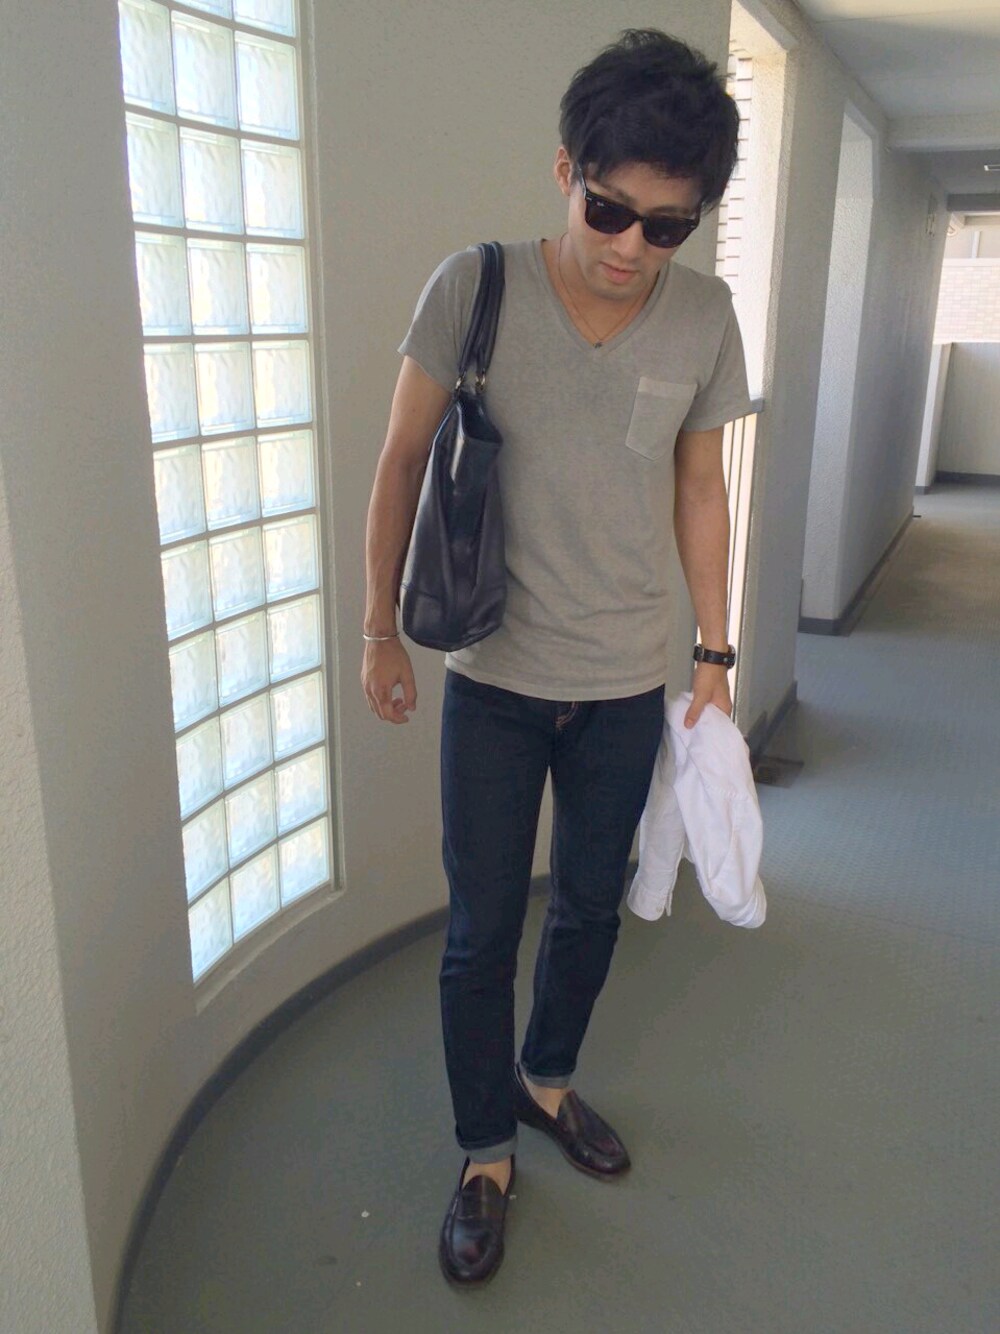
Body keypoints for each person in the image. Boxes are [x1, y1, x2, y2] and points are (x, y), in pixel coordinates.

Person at [361, 28, 751, 1286]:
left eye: (667, 226)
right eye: (609, 209)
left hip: (625, 680)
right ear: (565, 171)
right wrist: (377, 630)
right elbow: (400, 461)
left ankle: (545, 1079)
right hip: (492, 680)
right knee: (480, 931)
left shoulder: (704, 317)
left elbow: (701, 485)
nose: (631, 246)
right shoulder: (472, 289)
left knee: (588, 905)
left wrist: (713, 647)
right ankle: (484, 1149)